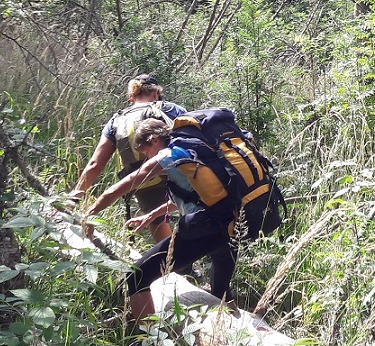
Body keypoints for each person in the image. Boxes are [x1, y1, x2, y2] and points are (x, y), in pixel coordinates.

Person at [83, 117, 276, 322]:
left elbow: (123, 186)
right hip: (231, 225)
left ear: (155, 140)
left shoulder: (169, 155)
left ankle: (148, 338)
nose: (146, 157)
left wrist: (90, 214)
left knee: (136, 276)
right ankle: (233, 332)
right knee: (220, 297)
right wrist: (151, 215)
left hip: (207, 230)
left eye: (145, 151)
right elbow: (198, 195)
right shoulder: (194, 150)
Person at [68, 74, 184, 242]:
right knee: (190, 211)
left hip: (142, 181)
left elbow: (95, 164)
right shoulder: (169, 109)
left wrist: (74, 198)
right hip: (176, 169)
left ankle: (177, 264)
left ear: (130, 96)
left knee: (158, 222)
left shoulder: (117, 120)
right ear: (156, 93)